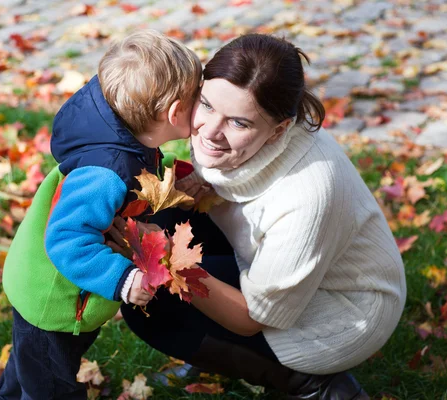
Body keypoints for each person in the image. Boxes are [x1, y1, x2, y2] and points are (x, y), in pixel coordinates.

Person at [116, 33, 406, 400]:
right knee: (171, 214)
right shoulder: (243, 121)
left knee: (156, 298)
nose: (209, 131)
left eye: (238, 123)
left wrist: (165, 254)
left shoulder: (308, 194)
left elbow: (252, 318)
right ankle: (220, 350)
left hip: (344, 313)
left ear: (280, 129)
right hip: (278, 266)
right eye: (205, 104)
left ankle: (312, 385)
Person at [0, 30, 202, 400]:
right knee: (51, 385)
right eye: (199, 100)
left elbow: (145, 168)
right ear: (174, 112)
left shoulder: (121, 136)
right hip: (54, 300)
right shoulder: (104, 175)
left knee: (30, 369)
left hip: (52, 291)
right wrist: (122, 279)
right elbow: (68, 240)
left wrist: (180, 176)